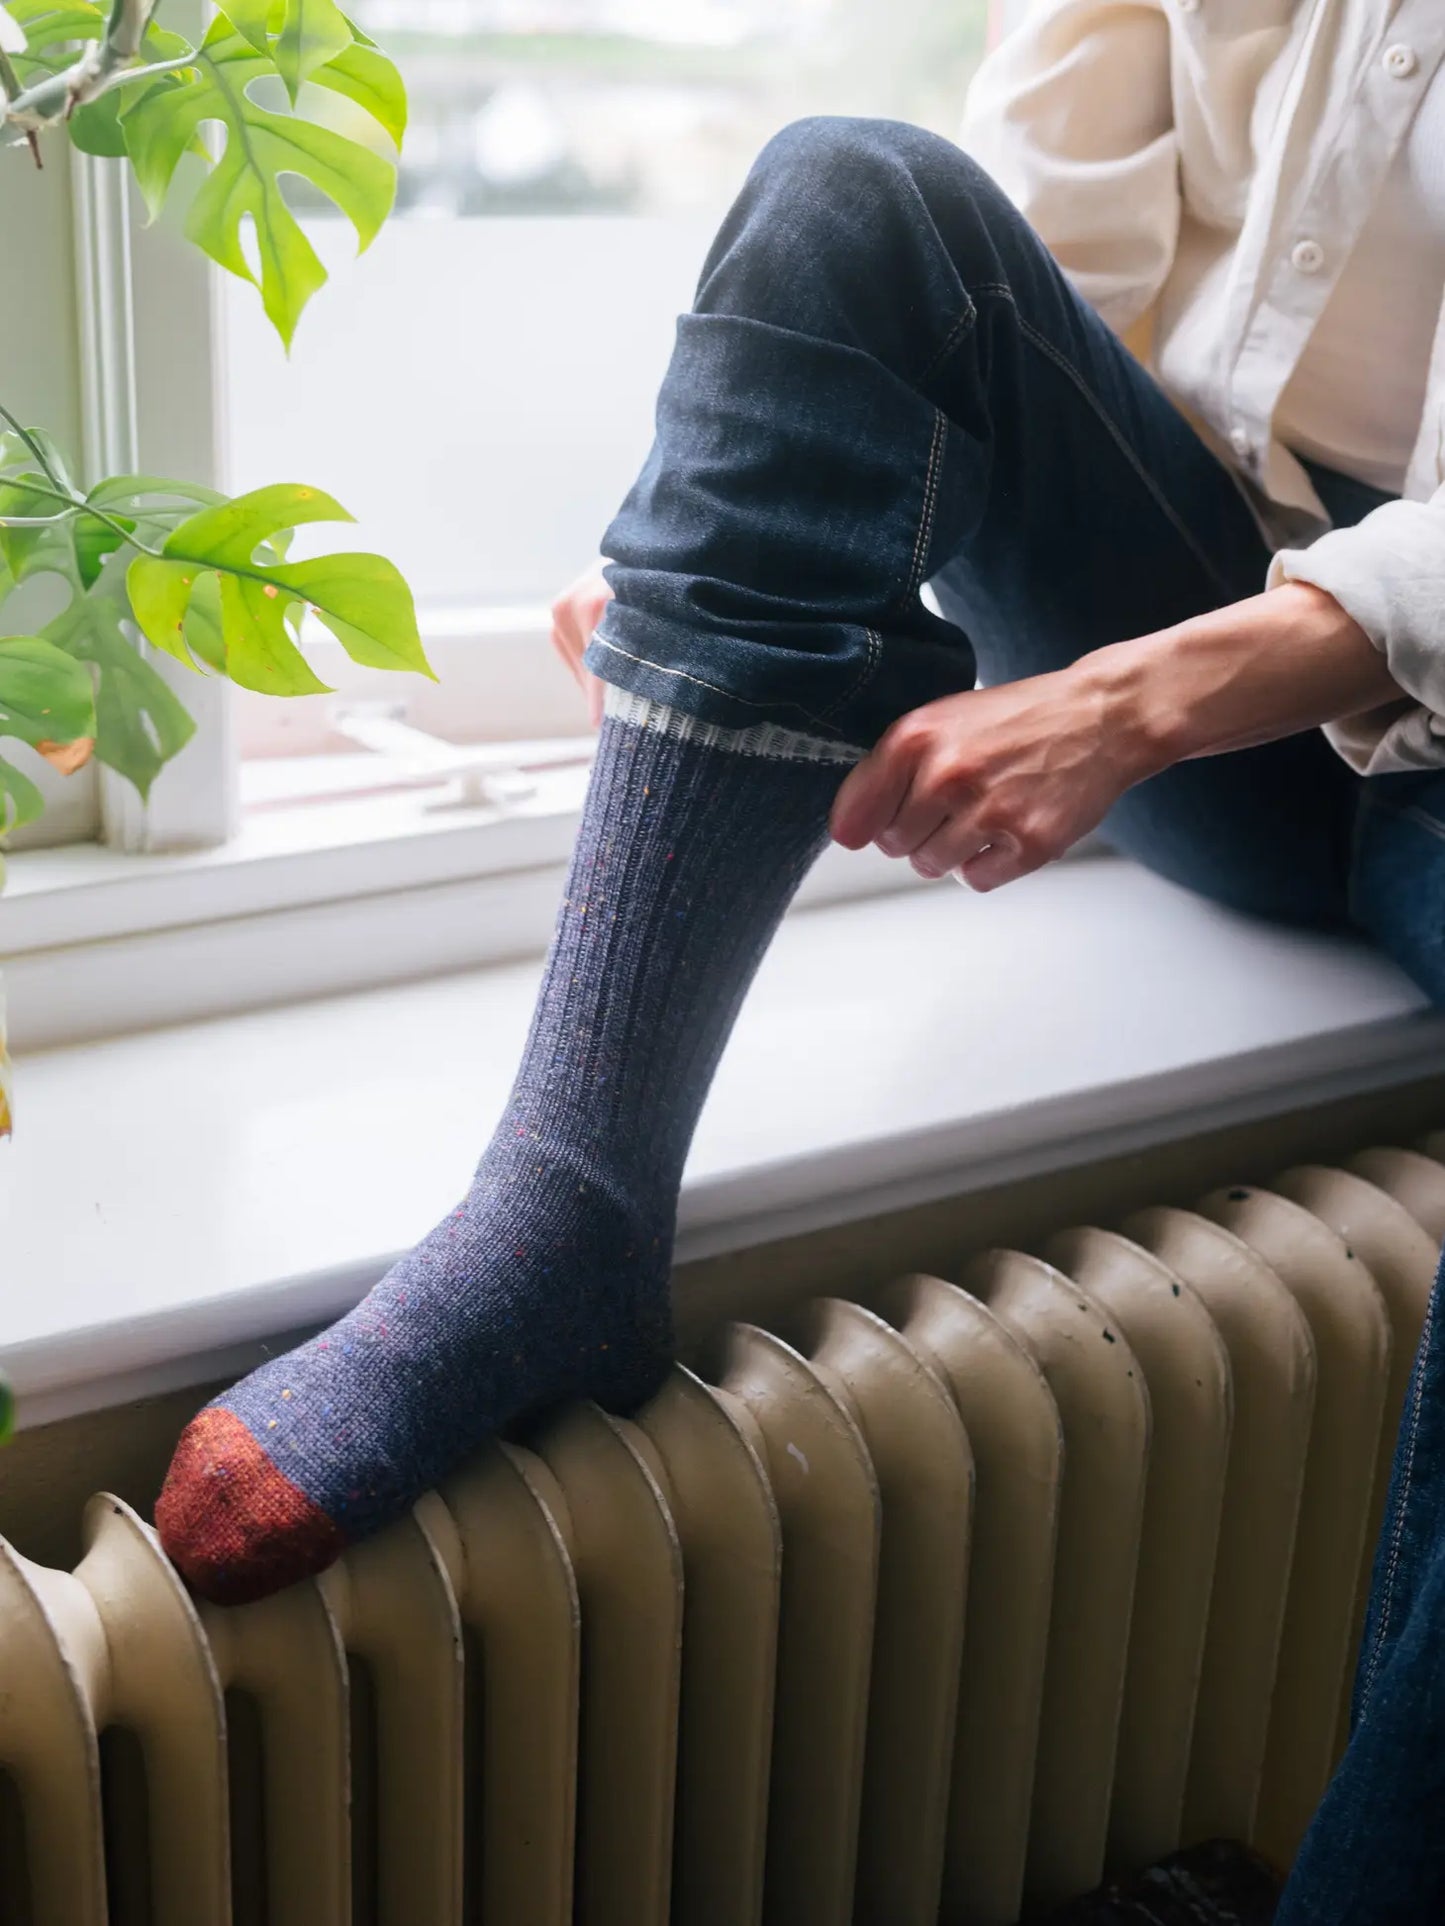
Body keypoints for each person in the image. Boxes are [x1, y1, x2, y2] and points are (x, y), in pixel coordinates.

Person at [156, 2, 1445, 1915]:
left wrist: (1134, 693)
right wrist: (747, 538)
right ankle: (567, 1206)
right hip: (1223, 642)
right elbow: (1012, 299)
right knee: (854, 195)